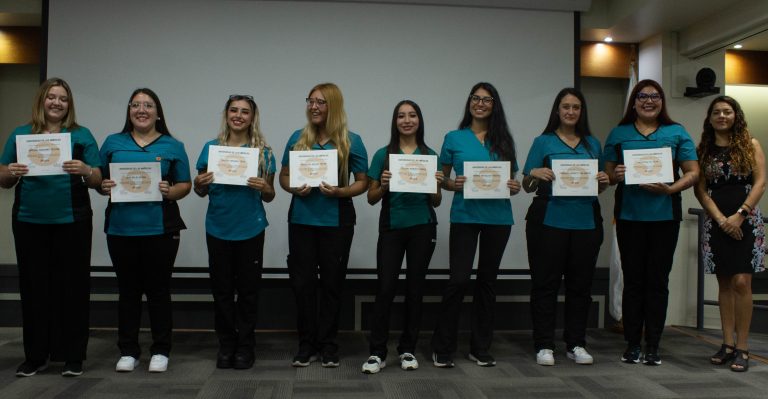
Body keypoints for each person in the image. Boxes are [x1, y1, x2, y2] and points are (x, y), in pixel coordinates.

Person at [0, 78, 101, 377]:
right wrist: (11, 172)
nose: (57, 103)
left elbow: (98, 179)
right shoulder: (21, 134)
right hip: (30, 221)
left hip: (73, 221)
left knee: (73, 288)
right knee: (33, 289)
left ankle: (73, 356)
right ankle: (35, 356)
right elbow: (3, 177)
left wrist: (86, 170)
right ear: (41, 100)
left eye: (63, 99)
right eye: (51, 97)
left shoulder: (81, 135)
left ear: (69, 105)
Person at [604, 79, 699, 366]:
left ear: (662, 101)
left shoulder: (676, 132)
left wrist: (671, 188)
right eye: (642, 96)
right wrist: (616, 175)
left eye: (654, 96)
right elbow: (607, 176)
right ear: (633, 102)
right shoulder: (619, 133)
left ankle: (654, 344)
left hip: (664, 217)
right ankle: (632, 344)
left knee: (657, 281)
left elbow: (693, 172)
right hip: (629, 217)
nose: (648, 101)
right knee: (633, 281)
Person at [98, 88, 192, 373]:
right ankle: (128, 350)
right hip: (121, 229)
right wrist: (102, 186)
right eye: (136, 104)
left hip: (160, 230)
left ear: (157, 112)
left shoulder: (173, 145)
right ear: (129, 111)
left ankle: (161, 350)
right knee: (128, 291)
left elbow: (185, 185)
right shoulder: (112, 143)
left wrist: (169, 190)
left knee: (158, 291)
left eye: (148, 105)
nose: (142, 109)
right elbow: (99, 179)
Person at [431, 82, 521, 368]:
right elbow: (441, 180)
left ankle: (480, 347)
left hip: (498, 218)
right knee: (458, 281)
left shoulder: (504, 139)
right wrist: (451, 183)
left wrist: (514, 187)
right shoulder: (454, 138)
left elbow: (512, 182)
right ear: (469, 102)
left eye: (486, 99)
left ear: (494, 105)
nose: (480, 103)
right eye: (475, 98)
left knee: (487, 282)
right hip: (465, 217)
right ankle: (443, 346)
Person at [279, 83, 368, 368]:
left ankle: (329, 344)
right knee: (303, 284)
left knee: (332, 284)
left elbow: (363, 182)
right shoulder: (297, 137)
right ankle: (306, 344)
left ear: (334, 106)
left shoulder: (352, 140)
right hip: (302, 220)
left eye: (320, 102)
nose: (314, 107)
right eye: (310, 101)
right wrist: (294, 188)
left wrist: (341, 192)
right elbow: (283, 177)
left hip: (337, 222)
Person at [522, 88, 610, 366]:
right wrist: (533, 174)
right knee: (545, 285)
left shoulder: (593, 144)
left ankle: (576, 343)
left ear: (581, 112)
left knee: (580, 287)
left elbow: (599, 186)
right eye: (565, 107)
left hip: (585, 222)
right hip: (548, 222)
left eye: (576, 107)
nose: (570, 112)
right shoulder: (543, 141)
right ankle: (544, 344)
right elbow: (526, 185)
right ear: (557, 111)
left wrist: (604, 181)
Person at [194, 95, 276, 370]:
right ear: (226, 114)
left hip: (250, 229)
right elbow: (201, 190)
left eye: (245, 111)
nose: (239, 116)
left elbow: (270, 195)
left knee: (249, 292)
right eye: (234, 110)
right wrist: (199, 183)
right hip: (218, 228)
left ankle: (245, 346)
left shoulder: (264, 152)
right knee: (222, 291)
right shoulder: (211, 148)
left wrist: (265, 188)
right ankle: (226, 344)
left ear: (253, 118)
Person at [361, 100, 443, 374]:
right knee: (385, 289)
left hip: (422, 227)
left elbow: (437, 200)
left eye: (412, 115)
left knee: (415, 289)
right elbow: (371, 198)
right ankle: (377, 352)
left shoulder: (430, 155)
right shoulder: (383, 155)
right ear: (395, 122)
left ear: (419, 120)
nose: (407, 120)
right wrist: (383, 185)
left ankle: (408, 349)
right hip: (392, 228)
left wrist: (435, 182)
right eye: (401, 116)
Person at [694, 96, 765, 372]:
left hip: (746, 221)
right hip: (717, 221)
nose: (722, 116)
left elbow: (760, 183)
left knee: (741, 282)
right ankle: (727, 344)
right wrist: (722, 219)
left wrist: (740, 215)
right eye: (717, 112)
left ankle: (743, 347)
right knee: (724, 283)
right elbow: (700, 189)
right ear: (709, 118)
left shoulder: (751, 144)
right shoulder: (704, 150)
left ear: (736, 115)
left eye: (727, 111)